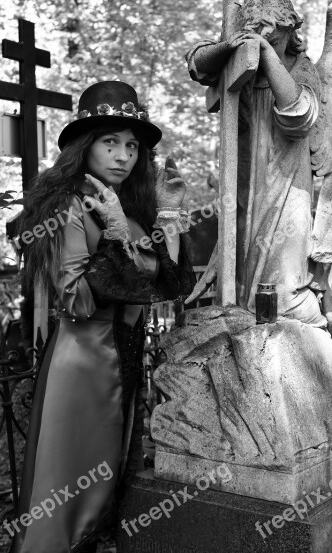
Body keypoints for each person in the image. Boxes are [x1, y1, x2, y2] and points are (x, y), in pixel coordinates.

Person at [10, 80, 195, 553]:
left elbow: (170, 285)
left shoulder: (130, 209)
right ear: (84, 146)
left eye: (132, 146)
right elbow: (74, 298)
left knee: (110, 489)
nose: (123, 156)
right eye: (110, 142)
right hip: (84, 363)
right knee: (67, 499)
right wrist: (112, 233)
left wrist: (169, 216)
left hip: (126, 360)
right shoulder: (68, 205)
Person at [186, 0, 332, 336]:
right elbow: (197, 64)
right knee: (240, 285)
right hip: (243, 193)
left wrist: (268, 55)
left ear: (288, 30)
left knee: (284, 290)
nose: (261, 39)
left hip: (287, 192)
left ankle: (313, 339)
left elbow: (299, 117)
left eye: (271, 32)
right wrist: (230, 45)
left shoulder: (300, 69)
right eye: (256, 31)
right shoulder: (237, 68)